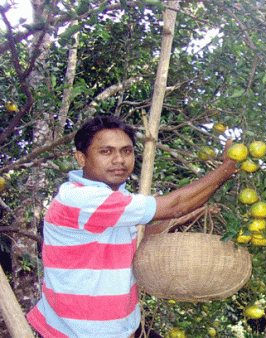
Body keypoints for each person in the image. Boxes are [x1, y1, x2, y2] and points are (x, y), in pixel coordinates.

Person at [26, 115, 237, 338]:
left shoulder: (113, 197)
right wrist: (227, 169)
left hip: (123, 328)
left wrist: (182, 219)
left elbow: (136, 239)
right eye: (106, 151)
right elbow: (176, 204)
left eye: (126, 151)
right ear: (81, 158)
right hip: (75, 332)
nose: (119, 159)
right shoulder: (81, 199)